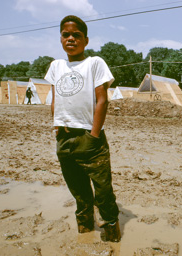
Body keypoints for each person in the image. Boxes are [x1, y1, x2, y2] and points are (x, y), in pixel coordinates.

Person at [44, 15, 121, 242]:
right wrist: (58, 128)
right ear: (60, 39)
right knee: (78, 191)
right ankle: (85, 231)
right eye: (66, 34)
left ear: (85, 40)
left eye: (76, 35)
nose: (71, 38)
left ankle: (112, 233)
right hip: (65, 139)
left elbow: (102, 100)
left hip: (90, 139)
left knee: (103, 190)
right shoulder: (56, 66)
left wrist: (94, 135)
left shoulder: (95, 63)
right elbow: (55, 100)